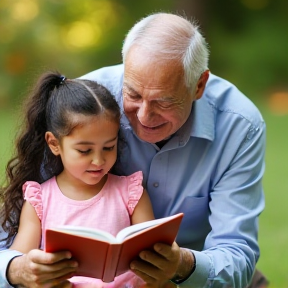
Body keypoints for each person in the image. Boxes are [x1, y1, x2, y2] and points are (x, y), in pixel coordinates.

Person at [0, 12, 268, 288]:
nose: (144, 116)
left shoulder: (239, 126)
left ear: (198, 85)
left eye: (163, 102)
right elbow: (8, 246)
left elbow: (237, 253)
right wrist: (18, 270)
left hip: (195, 274)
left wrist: (181, 265)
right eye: (134, 95)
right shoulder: (84, 106)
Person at [0, 71, 155, 287]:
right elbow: (22, 263)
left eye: (108, 147)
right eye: (84, 151)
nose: (98, 160)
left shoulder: (131, 193)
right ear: (54, 144)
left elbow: (153, 257)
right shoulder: (39, 201)